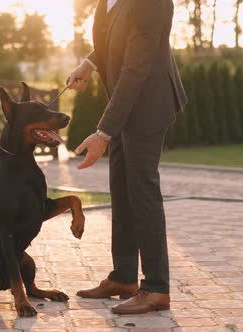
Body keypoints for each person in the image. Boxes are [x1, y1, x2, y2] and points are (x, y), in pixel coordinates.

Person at [68, 0, 187, 314]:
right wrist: (90, 63)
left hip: (147, 105)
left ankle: (157, 288)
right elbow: (113, 34)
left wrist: (103, 132)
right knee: (121, 191)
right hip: (124, 106)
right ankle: (123, 278)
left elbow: (138, 66)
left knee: (142, 191)